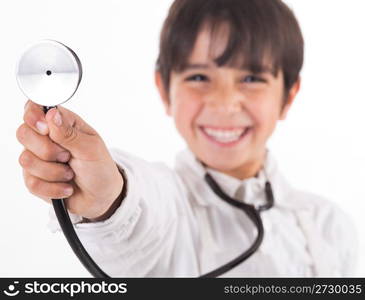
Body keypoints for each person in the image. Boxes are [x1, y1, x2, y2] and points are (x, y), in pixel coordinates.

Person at [16, 0, 358, 277]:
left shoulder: (329, 227)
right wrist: (108, 201)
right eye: (198, 77)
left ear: (288, 96)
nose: (224, 104)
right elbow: (140, 218)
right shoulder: (166, 204)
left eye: (252, 78)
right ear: (164, 89)